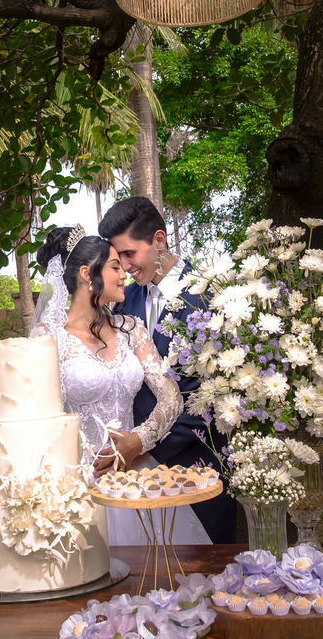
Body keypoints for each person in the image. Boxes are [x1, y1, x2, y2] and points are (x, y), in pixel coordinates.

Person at [32, 224, 210, 545]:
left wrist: (137, 441)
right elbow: (39, 419)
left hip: (137, 474)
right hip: (77, 482)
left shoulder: (130, 329)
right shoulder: (48, 338)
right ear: (87, 274)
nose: (124, 273)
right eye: (115, 266)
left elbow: (171, 397)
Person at [99, 197, 238, 544]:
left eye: (130, 254)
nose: (125, 267)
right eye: (118, 258)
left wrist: (144, 446)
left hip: (198, 468)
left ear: (159, 240)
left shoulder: (209, 297)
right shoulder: (125, 302)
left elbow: (217, 394)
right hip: (135, 476)